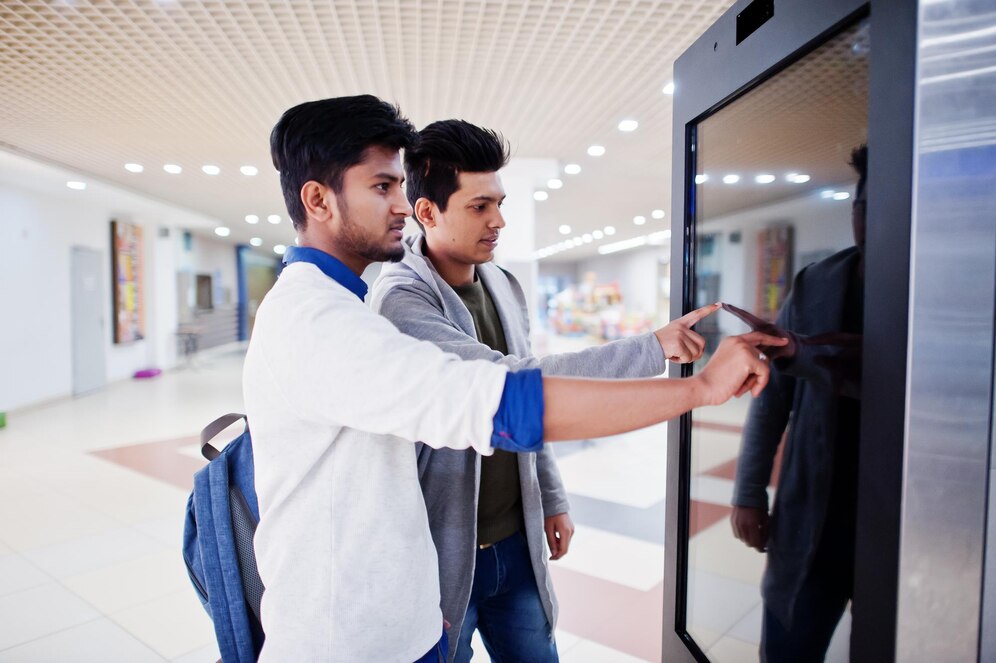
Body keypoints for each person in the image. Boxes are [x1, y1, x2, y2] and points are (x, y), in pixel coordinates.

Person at [245, 94, 784, 663]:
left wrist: (548, 496)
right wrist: (697, 388)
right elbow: (503, 395)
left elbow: (516, 386)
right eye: (383, 187)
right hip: (356, 634)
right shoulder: (329, 320)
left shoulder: (349, 306)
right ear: (317, 199)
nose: (402, 205)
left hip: (404, 613)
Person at [370, 118, 719, 663]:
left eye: (499, 203)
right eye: (480, 206)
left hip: (517, 540)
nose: (499, 220)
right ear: (428, 212)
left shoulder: (503, 283)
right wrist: (653, 350)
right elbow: (513, 387)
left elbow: (535, 411)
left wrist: (550, 498)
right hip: (443, 552)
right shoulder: (400, 301)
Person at [729, 145, 867, 661]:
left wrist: (799, 350)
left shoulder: (947, 290)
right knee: (788, 642)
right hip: (812, 509)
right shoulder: (817, 283)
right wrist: (748, 492)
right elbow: (772, 398)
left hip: (900, 520)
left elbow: (885, 371)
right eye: (865, 207)